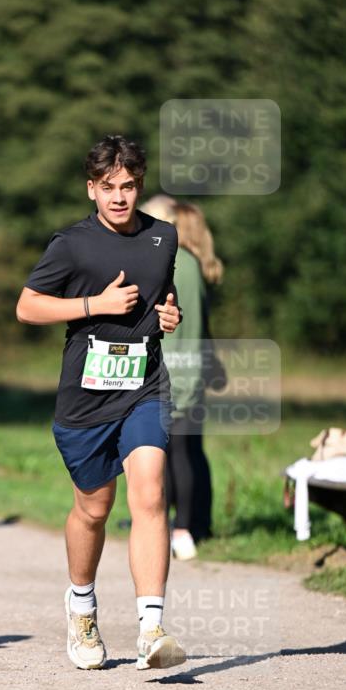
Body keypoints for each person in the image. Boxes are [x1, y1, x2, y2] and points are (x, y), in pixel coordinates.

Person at [16, 134, 186, 672]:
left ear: (140, 187)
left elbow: (165, 293)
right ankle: (82, 605)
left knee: (151, 491)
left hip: (144, 384)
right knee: (93, 509)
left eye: (129, 186)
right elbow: (27, 307)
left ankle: (151, 627)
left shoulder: (164, 237)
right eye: (108, 187)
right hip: (86, 398)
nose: (119, 197)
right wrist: (96, 304)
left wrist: (169, 314)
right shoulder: (71, 244)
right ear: (91, 189)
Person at [144, 197, 223, 559]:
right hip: (188, 367)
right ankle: (185, 526)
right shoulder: (191, 263)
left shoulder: (174, 263)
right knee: (185, 451)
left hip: (173, 369)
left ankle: (181, 528)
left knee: (174, 453)